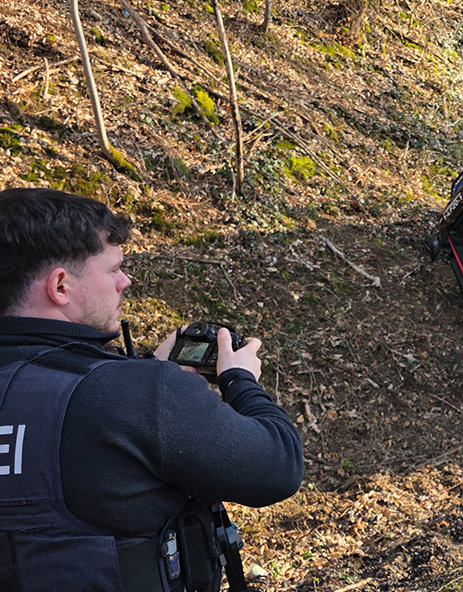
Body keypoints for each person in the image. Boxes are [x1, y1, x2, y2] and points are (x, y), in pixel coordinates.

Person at [0, 188, 304, 591]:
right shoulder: (137, 395)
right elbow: (278, 466)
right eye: (113, 269)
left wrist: (141, 371)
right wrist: (240, 380)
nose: (125, 281)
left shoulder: (129, 388)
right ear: (60, 286)